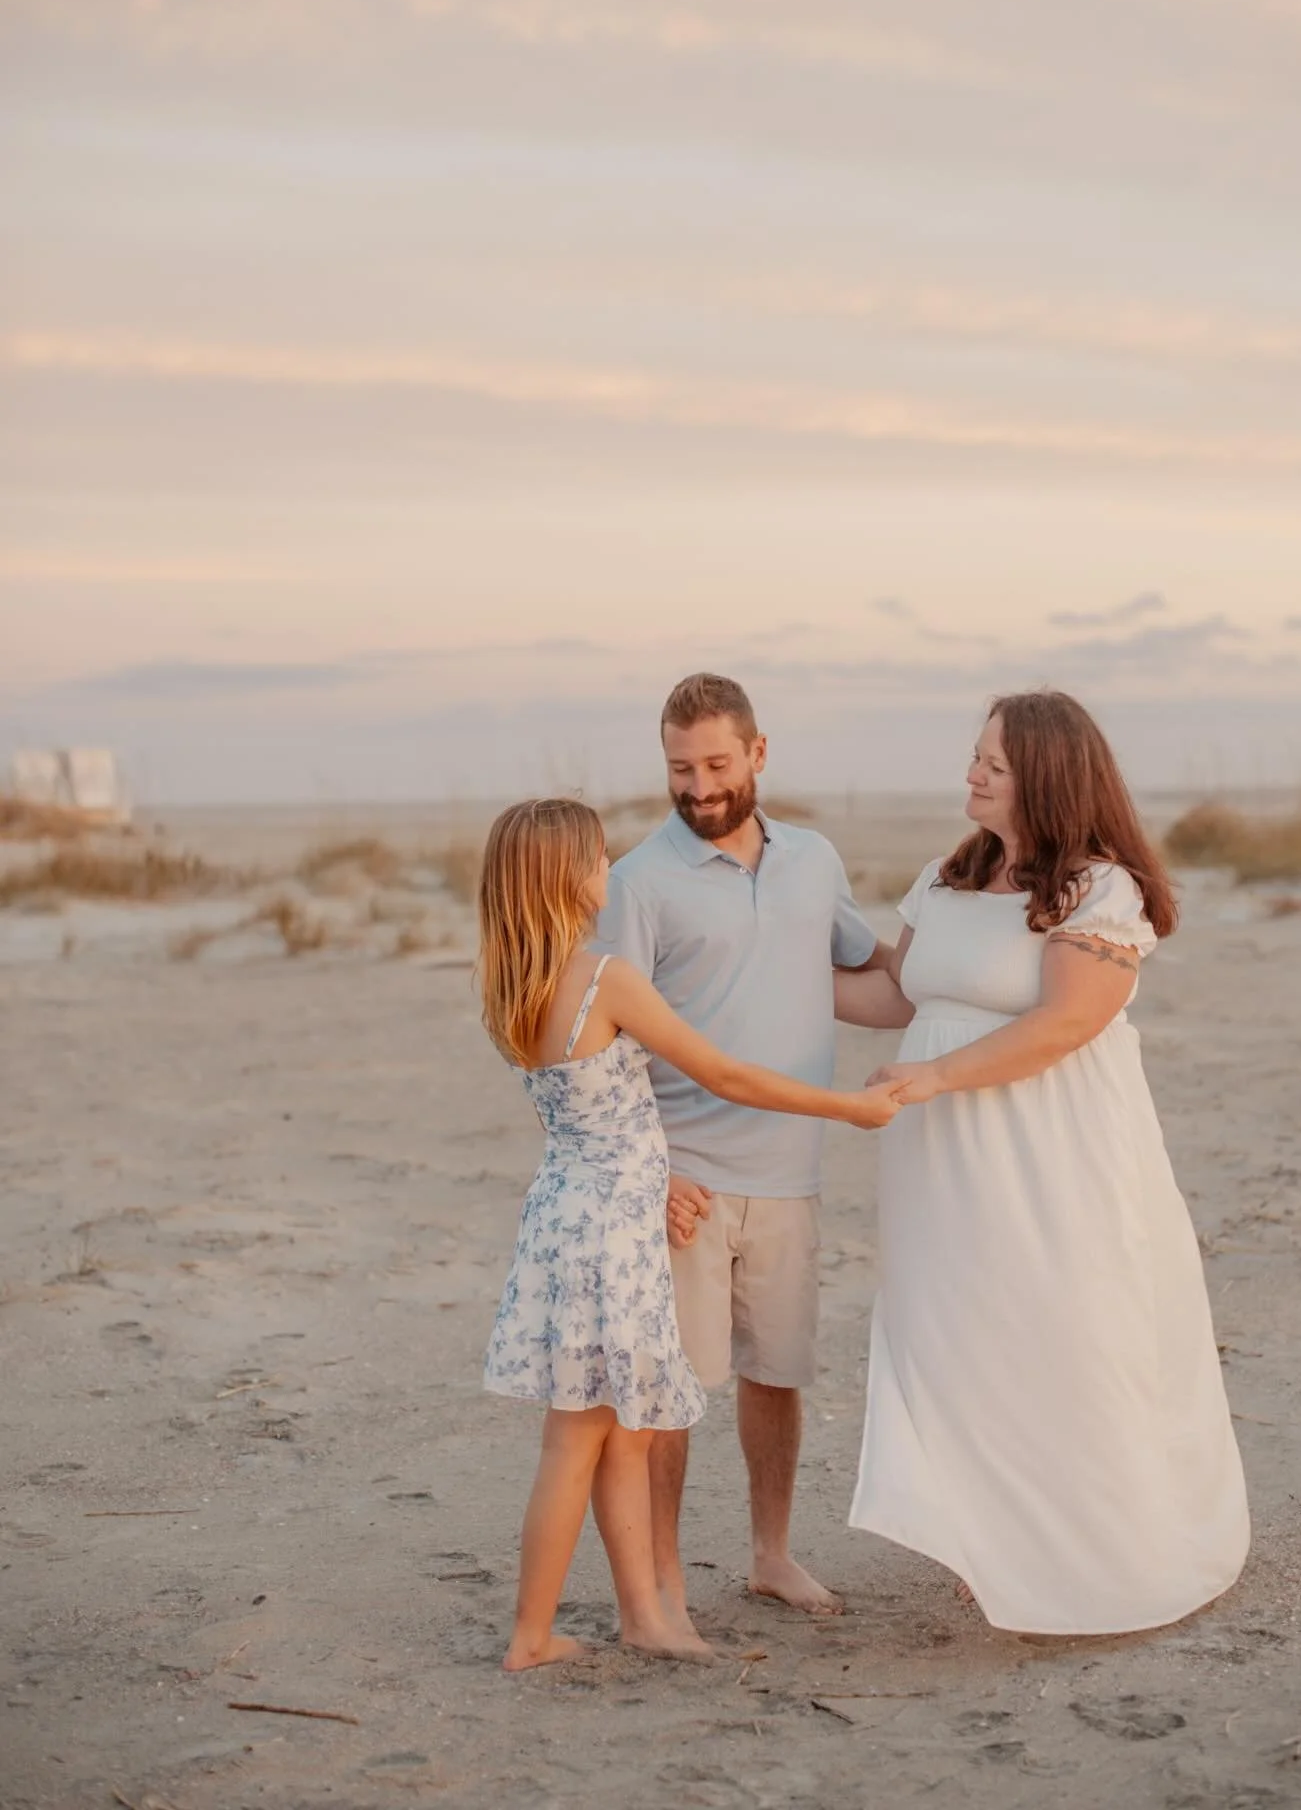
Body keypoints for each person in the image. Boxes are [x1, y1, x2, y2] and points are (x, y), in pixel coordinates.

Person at [837, 690, 1250, 1635]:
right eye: (975, 755)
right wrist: (746, 967)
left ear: (1048, 778)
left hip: (1049, 1147)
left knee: (1062, 1326)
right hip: (938, 1156)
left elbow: (1065, 1024)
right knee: (958, 1332)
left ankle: (1106, 1547)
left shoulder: (1102, 890)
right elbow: (896, 994)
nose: (972, 773)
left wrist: (935, 1076)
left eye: (995, 763)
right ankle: (993, 1539)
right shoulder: (947, 877)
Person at [479, 796, 901, 1672]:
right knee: (580, 1440)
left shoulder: (516, 981)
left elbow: (593, 1114)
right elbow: (721, 1071)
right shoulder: (604, 979)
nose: (609, 872)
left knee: (618, 1432)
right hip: (610, 1231)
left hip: (571, 1213)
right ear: (567, 877)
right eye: (596, 859)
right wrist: (847, 1108)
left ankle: (644, 1615)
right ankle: (532, 1635)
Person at [594, 673, 896, 1625]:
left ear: (759, 754)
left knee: (778, 1373)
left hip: (790, 1175)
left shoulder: (814, 860)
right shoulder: (638, 882)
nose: (700, 787)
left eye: (718, 764)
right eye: (681, 768)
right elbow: (608, 1045)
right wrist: (657, 1173)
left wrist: (979, 960)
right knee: (675, 1393)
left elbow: (868, 974)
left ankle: (771, 1554)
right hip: (683, 1179)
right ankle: (670, 1581)